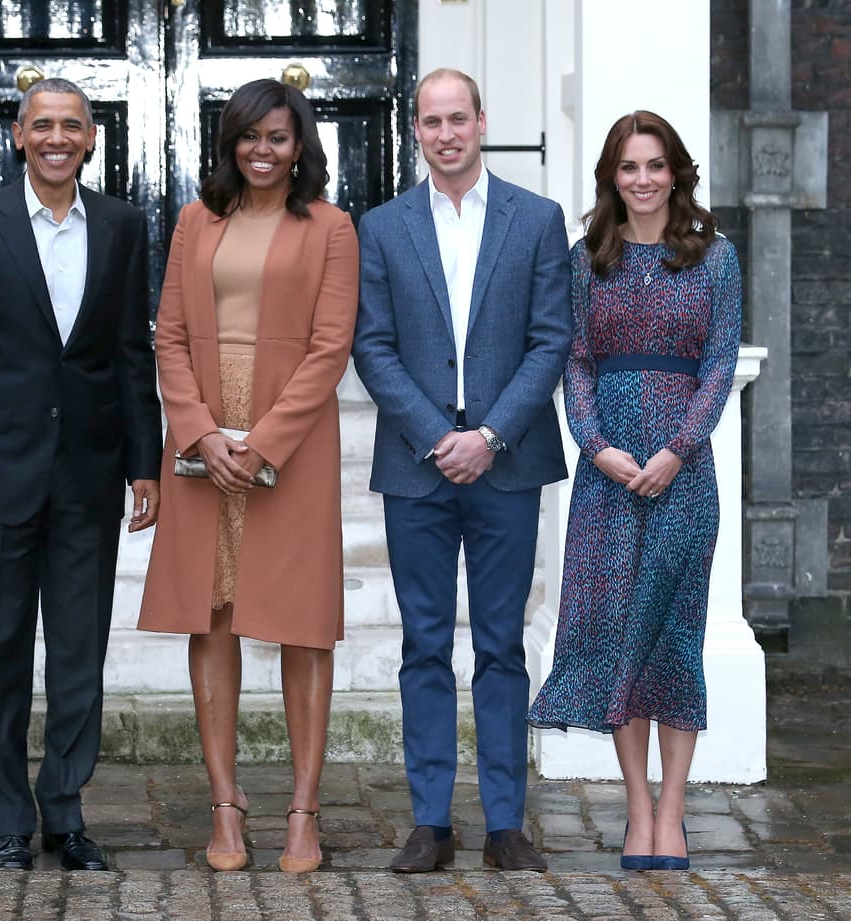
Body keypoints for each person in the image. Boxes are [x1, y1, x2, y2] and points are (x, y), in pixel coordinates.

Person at [0, 77, 162, 872]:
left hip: (89, 474)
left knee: (80, 654)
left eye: (72, 126)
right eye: (42, 125)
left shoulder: (123, 225)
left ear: (91, 139)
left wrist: (144, 463)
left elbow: (131, 351)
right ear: (19, 136)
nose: (57, 137)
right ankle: (8, 822)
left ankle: (66, 808)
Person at [352, 68, 571, 873]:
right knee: (424, 644)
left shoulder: (537, 219)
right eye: (431, 121)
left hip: (507, 468)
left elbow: (551, 338)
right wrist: (433, 434)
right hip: (417, 469)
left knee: (503, 644)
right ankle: (431, 819)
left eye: (458, 118)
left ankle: (507, 819)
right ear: (416, 130)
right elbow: (370, 344)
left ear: (483, 120)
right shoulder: (381, 226)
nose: (446, 134)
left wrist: (490, 435)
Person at [138, 78, 358, 874]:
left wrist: (262, 442)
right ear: (229, 143)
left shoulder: (331, 228)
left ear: (300, 146)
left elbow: (331, 346)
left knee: (300, 621)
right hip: (202, 436)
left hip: (289, 439)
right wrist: (198, 429)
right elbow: (167, 335)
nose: (261, 152)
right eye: (248, 137)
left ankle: (303, 811)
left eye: (277, 137)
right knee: (213, 613)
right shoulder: (196, 221)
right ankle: (226, 808)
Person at [528, 111, 742, 872]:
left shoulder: (715, 257)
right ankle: (638, 808)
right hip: (608, 476)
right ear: (611, 178)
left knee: (675, 640)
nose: (644, 179)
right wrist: (602, 448)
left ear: (676, 171)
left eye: (656, 165)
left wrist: (678, 449)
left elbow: (720, 363)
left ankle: (675, 810)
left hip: (685, 475)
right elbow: (576, 362)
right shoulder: (587, 259)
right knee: (621, 638)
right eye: (629, 167)